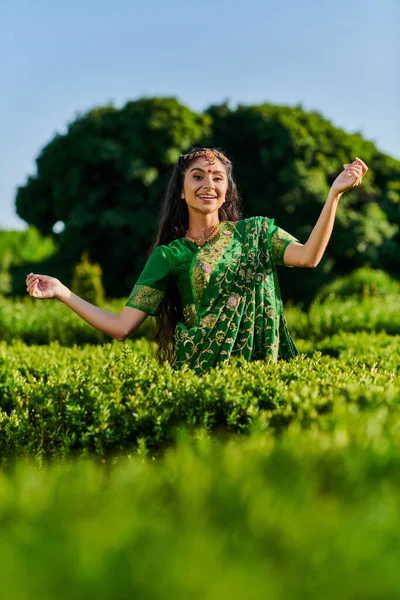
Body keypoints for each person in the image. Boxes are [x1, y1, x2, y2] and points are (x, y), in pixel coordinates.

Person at [26, 148, 368, 375]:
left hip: (262, 371)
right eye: (198, 176)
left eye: (218, 177)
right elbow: (121, 327)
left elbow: (308, 257)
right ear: (182, 189)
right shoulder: (169, 256)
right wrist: (63, 292)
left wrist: (333, 195)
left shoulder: (257, 233)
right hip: (201, 374)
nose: (209, 184)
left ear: (227, 189)